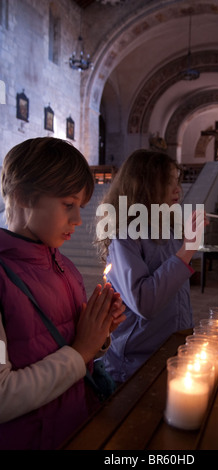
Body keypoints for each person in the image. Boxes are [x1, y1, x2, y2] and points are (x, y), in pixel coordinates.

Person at [0, 137, 126, 450]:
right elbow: (2, 396)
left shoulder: (64, 267)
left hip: (76, 427)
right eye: (68, 205)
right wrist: (81, 350)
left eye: (79, 207)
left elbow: (68, 346)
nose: (77, 220)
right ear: (21, 196)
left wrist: (98, 334)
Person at [96, 148, 206, 383]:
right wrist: (187, 250)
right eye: (168, 182)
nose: (177, 189)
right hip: (135, 365)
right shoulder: (124, 238)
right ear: (143, 187)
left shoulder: (167, 229)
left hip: (171, 352)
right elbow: (145, 302)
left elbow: (177, 297)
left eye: (177, 181)